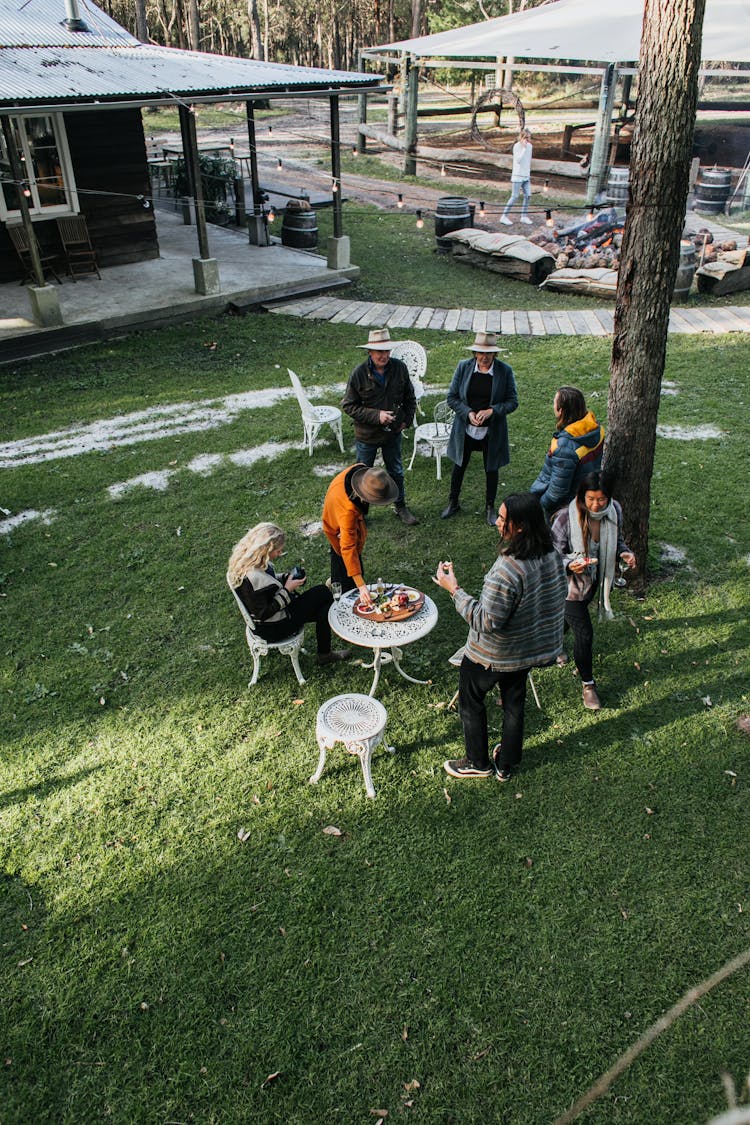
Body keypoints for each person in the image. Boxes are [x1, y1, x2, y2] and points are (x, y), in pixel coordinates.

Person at [433, 492, 566, 781]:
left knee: (471, 699)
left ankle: (477, 762)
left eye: (503, 519)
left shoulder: (507, 570)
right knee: (514, 702)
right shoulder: (553, 554)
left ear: (519, 527)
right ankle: (506, 763)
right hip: (527, 651)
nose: (496, 521)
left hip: (491, 655)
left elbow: (485, 620)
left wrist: (454, 590)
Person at [551, 473, 636, 710]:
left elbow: (616, 540)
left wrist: (624, 552)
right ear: (581, 496)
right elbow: (550, 557)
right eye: (590, 499)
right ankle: (588, 685)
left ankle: (554, 646)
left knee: (568, 620)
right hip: (568, 587)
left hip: (595, 580)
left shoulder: (614, 510)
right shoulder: (564, 518)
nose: (596, 505)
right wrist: (569, 564)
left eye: (601, 499)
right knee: (585, 634)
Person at [228, 523, 350, 666]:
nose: (280, 554)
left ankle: (325, 654)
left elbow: (268, 583)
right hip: (273, 628)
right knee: (322, 592)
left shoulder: (250, 563)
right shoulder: (251, 578)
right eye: (278, 551)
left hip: (276, 619)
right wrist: (287, 590)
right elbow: (263, 613)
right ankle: (330, 644)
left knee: (324, 608)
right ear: (265, 549)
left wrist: (287, 577)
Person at [342, 327, 418, 527]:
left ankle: (400, 506)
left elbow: (410, 397)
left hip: (392, 433)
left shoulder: (399, 368)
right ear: (370, 352)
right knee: (361, 475)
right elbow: (348, 406)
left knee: (396, 471)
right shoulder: (358, 374)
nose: (383, 355)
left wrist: (407, 420)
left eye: (386, 351)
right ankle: (359, 513)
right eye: (379, 352)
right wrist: (376, 416)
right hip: (366, 435)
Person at [442, 331, 519, 527]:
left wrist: (492, 411)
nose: (484, 357)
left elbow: (512, 402)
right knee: (459, 465)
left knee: (491, 467)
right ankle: (453, 502)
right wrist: (468, 413)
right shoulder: (463, 367)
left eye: (489, 354)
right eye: (480, 353)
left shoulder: (504, 371)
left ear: (495, 354)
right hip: (465, 428)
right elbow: (452, 397)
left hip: (491, 431)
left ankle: (490, 507)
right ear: (475, 353)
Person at [322, 464, 399, 607]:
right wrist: (362, 586)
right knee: (345, 574)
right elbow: (347, 547)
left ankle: (336, 580)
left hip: (342, 516)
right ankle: (339, 590)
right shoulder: (348, 513)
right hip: (335, 529)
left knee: (350, 566)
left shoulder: (362, 471)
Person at [529, 386, 604, 518]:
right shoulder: (595, 429)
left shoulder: (565, 448)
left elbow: (556, 492)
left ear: (561, 411)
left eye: (554, 403)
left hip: (565, 507)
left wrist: (541, 505)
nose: (553, 406)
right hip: (584, 496)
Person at [500, 129, 533, 226]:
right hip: (517, 175)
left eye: (529, 138)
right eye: (525, 137)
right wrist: (523, 148)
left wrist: (528, 173)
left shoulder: (530, 146)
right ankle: (504, 216)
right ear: (521, 137)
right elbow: (518, 160)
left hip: (526, 175)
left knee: (528, 195)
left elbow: (528, 161)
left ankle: (524, 216)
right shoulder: (517, 146)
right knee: (515, 196)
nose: (527, 140)